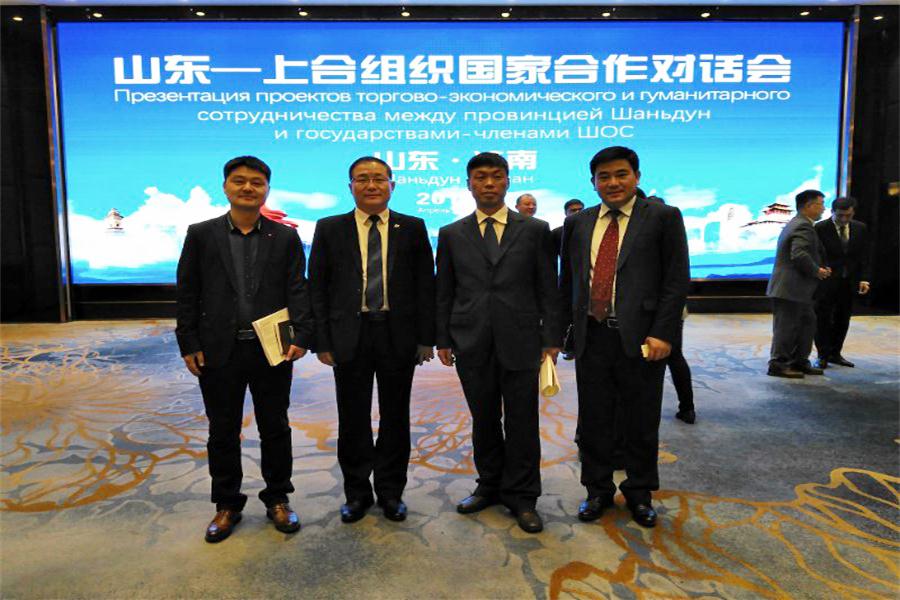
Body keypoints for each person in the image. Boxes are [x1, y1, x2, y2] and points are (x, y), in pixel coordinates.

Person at [176, 156, 314, 543]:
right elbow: (187, 291)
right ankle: (227, 504)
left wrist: (301, 335)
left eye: (257, 182)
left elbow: (297, 288)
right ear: (225, 187)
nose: (248, 188)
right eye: (239, 181)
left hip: (272, 348)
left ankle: (278, 498)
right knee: (222, 430)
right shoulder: (201, 234)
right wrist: (189, 342)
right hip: (218, 349)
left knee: (275, 426)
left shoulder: (284, 237)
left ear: (267, 189)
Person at [559, 146, 689, 528]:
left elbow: (676, 279)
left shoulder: (663, 216)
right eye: (604, 177)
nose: (613, 183)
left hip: (644, 338)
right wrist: (562, 333)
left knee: (641, 419)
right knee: (594, 419)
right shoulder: (577, 223)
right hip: (593, 335)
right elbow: (568, 282)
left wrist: (664, 332)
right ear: (593, 182)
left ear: (636, 176)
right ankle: (597, 490)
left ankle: (639, 492)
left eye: (621, 174)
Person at [435, 152, 561, 534]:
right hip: (470, 339)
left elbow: (548, 286)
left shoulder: (535, 229)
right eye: (480, 177)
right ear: (468, 184)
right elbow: (445, 290)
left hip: (522, 339)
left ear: (508, 181)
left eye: (496, 176)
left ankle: (523, 496)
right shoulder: (451, 233)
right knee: (484, 418)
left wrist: (551, 338)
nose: (488, 183)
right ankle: (489, 485)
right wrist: (443, 338)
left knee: (523, 421)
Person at [309, 156, 435, 524]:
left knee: (396, 417)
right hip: (350, 334)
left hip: (398, 334)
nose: (371, 185)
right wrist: (322, 341)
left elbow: (425, 286)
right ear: (350, 187)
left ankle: (392, 493)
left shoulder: (412, 227)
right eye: (362, 179)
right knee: (352, 419)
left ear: (392, 185)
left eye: (379, 178)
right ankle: (357, 494)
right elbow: (317, 287)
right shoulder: (330, 228)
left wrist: (426, 338)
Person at [766, 189, 831, 378]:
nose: (823, 208)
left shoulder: (800, 223)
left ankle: (799, 361)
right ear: (809, 205)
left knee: (806, 324)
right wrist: (816, 270)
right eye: (821, 204)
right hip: (790, 288)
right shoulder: (802, 225)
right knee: (787, 328)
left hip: (797, 289)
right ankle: (778, 364)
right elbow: (799, 254)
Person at [813, 196, 871, 369]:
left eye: (848, 215)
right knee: (823, 318)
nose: (844, 219)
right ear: (832, 212)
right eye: (840, 215)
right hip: (826, 281)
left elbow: (864, 255)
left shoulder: (860, 228)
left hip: (849, 281)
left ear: (853, 213)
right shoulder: (820, 228)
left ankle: (835, 353)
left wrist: (864, 278)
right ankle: (822, 355)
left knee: (843, 318)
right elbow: (815, 254)